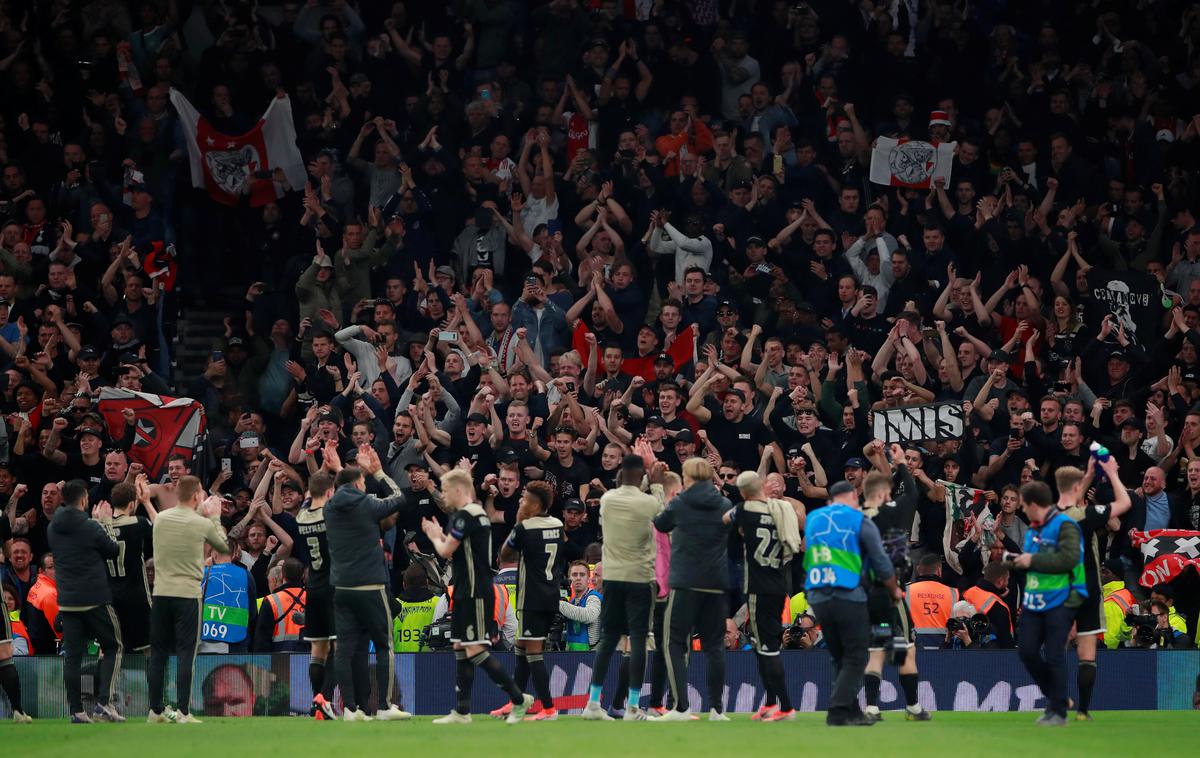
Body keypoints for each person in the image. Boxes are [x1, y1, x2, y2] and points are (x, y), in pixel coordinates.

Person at [422, 468, 533, 725]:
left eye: (446, 490)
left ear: (459, 490)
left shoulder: (467, 515)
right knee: (461, 646)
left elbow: (446, 550)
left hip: (475, 592)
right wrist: (440, 534)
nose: (444, 496)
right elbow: (456, 549)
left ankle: (518, 699)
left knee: (474, 649)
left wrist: (433, 535)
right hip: (464, 590)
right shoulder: (476, 515)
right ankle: (462, 712)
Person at [804, 480, 902, 727]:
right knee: (857, 657)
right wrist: (894, 591)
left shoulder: (813, 518)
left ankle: (852, 711)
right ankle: (837, 711)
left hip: (817, 594)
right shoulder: (860, 521)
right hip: (847, 593)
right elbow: (881, 562)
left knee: (839, 656)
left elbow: (806, 549)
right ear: (853, 496)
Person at [324, 446, 410, 721]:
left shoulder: (329, 507)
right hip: (371, 586)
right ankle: (384, 707)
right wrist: (379, 472)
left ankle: (350, 709)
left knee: (345, 650)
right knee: (384, 645)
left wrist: (339, 470)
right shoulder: (368, 504)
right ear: (360, 483)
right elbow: (399, 497)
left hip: (342, 588)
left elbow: (344, 487)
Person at [579, 453, 666, 721]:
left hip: (614, 578)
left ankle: (593, 704)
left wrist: (643, 476)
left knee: (608, 639)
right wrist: (658, 483)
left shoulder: (607, 499)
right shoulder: (649, 501)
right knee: (638, 640)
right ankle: (632, 707)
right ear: (642, 476)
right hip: (640, 578)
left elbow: (629, 500)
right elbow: (664, 521)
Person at [147, 476, 231, 724]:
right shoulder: (200, 523)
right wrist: (213, 516)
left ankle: (155, 711)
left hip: (161, 594)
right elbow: (223, 546)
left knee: (158, 654)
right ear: (196, 496)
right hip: (187, 595)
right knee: (186, 654)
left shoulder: (161, 518)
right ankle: (183, 712)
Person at [654, 457, 732, 721]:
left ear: (687, 478)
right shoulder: (724, 503)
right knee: (714, 647)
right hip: (715, 582)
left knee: (674, 642)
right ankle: (717, 709)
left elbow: (660, 524)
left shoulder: (680, 503)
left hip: (685, 582)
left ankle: (681, 707)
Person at [1053, 455, 1130, 720]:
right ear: (1078, 489)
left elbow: (1072, 497)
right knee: (1087, 654)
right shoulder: (1086, 516)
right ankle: (1084, 711)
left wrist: (1087, 474)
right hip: (1087, 588)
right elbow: (1124, 504)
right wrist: (1112, 473)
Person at [1009, 480, 1088, 726]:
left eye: (1023, 505)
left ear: (1034, 505)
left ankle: (1058, 711)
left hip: (1060, 601)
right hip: (1033, 603)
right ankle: (1058, 698)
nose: (1022, 510)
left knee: (1055, 655)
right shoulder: (1032, 530)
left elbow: (1069, 559)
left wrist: (1031, 560)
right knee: (1027, 652)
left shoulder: (1066, 526)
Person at [48, 479, 124, 723]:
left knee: (73, 656)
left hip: (68, 601)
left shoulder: (52, 527)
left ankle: (77, 711)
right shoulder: (91, 527)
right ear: (83, 500)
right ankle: (104, 703)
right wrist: (104, 522)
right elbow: (113, 550)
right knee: (114, 646)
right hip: (94, 598)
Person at [727, 471, 798, 722]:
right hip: (779, 582)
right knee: (762, 645)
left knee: (767, 647)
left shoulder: (744, 510)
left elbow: (726, 523)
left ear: (744, 492)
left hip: (758, 585)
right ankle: (769, 702)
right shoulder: (779, 509)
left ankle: (786, 707)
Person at [862, 471, 930, 722]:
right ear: (881, 494)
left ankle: (871, 707)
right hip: (890, 593)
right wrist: (901, 464)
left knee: (877, 650)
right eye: (888, 494)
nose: (891, 498)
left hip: (866, 596)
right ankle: (912, 706)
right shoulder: (890, 515)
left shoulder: (856, 517)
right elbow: (912, 494)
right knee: (906, 649)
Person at [496, 480, 564, 721]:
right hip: (550, 595)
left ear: (535, 505)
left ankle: (548, 709)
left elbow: (504, 556)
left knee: (533, 652)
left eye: (524, 499)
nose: (521, 502)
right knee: (522, 645)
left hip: (532, 598)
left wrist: (517, 523)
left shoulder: (525, 528)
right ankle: (515, 702)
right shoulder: (557, 524)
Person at [296, 470, 338, 720]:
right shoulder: (331, 514)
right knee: (338, 647)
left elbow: (306, 499)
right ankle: (325, 699)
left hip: (313, 587)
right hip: (334, 585)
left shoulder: (302, 516)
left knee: (317, 649)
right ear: (330, 492)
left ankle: (316, 703)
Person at [104, 479, 156, 656]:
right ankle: (159, 684)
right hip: (137, 597)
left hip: (110, 598)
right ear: (132, 503)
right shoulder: (138, 523)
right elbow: (163, 530)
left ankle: (104, 684)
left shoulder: (101, 527)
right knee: (149, 649)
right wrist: (147, 502)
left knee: (111, 651)